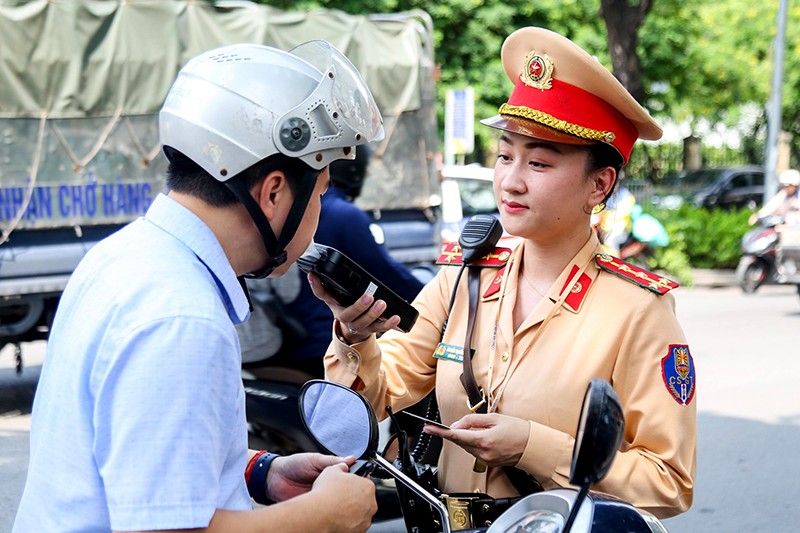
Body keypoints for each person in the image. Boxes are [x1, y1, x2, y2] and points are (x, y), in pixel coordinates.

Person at [315, 27, 696, 519]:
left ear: (599, 184)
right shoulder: (463, 278)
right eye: (504, 156)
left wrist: (533, 446)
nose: (510, 181)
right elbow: (380, 396)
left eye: (538, 163)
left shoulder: (638, 309)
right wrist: (354, 336)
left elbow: (669, 482)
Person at [14, 41, 384, 533]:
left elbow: (135, 451)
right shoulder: (181, 318)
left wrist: (260, 471)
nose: (317, 214)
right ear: (273, 193)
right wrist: (324, 516)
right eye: (319, 193)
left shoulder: (125, 256)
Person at [239, 143, 424, 378]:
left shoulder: (293, 211)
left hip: (285, 339)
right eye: (319, 194)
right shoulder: (342, 214)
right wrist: (433, 295)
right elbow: (388, 273)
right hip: (316, 342)